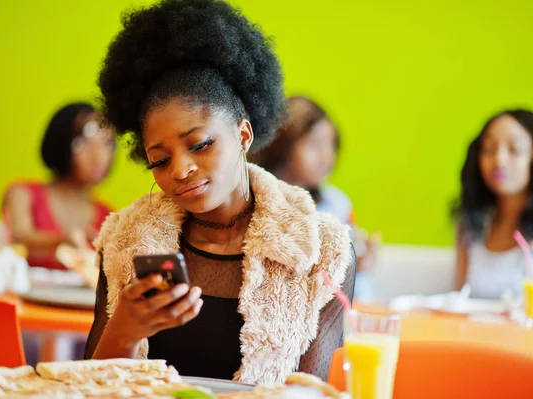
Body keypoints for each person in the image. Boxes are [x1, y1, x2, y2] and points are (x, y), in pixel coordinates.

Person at [84, 0, 356, 384]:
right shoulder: (125, 243)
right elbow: (88, 388)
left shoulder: (321, 250)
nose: (180, 170)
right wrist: (124, 330)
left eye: (199, 145)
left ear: (243, 134)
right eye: (159, 161)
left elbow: (311, 392)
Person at [253, 96, 378, 301]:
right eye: (314, 144)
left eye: (331, 145)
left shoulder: (338, 204)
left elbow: (358, 297)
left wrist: (359, 267)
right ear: (282, 147)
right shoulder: (257, 200)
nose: (326, 157)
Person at [2, 102, 115, 270]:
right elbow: (19, 239)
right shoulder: (22, 194)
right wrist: (62, 240)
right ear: (61, 140)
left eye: (107, 143)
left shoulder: (109, 215)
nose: (99, 155)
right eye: (86, 142)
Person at [454, 109, 533, 299]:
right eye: (489, 149)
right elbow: (460, 300)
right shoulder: (470, 227)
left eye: (514, 150)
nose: (499, 160)